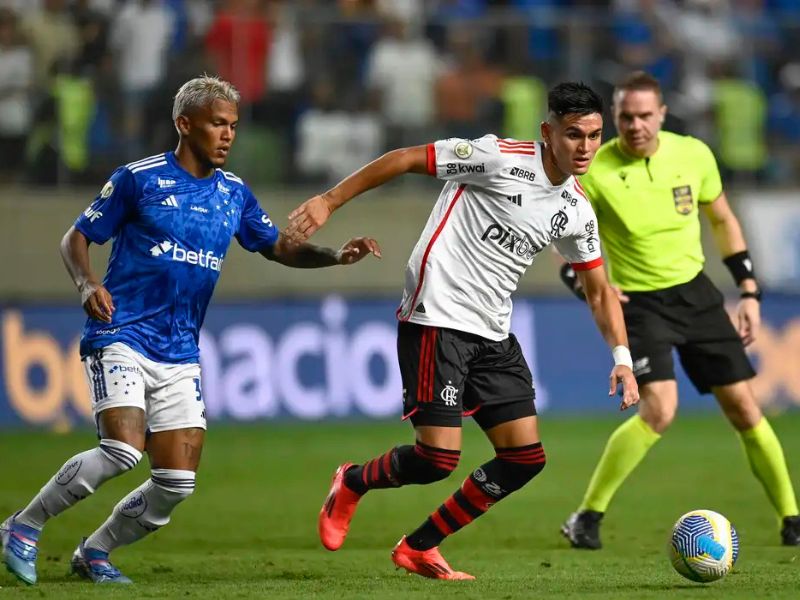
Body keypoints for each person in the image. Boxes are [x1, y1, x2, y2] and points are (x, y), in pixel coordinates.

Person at [0, 75, 380, 586]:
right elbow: (76, 237)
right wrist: (87, 285)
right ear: (185, 124)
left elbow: (278, 247)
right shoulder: (139, 179)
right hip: (123, 332)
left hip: (180, 350)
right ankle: (23, 527)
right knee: (121, 451)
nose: (228, 135)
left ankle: (95, 552)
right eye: (217, 124)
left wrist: (336, 256)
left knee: (176, 483)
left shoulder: (233, 194)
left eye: (233, 126)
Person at [285, 82, 640, 580]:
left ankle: (418, 547)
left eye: (594, 136)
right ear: (548, 132)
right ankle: (352, 481)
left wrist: (622, 359)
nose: (585, 147)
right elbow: (407, 157)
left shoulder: (577, 210)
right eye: (573, 134)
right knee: (437, 457)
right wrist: (329, 201)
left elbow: (600, 290)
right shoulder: (496, 158)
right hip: (438, 316)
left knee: (523, 458)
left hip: (493, 331)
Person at [559, 71, 800, 550]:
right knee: (660, 409)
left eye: (645, 116)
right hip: (640, 304)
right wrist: (584, 283)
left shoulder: (693, 154)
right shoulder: (596, 172)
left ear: (662, 115)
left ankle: (792, 518)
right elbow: (563, 239)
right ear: (614, 118)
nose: (635, 126)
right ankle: (586, 516)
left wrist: (748, 289)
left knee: (746, 408)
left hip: (696, 294)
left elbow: (723, 219)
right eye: (625, 116)